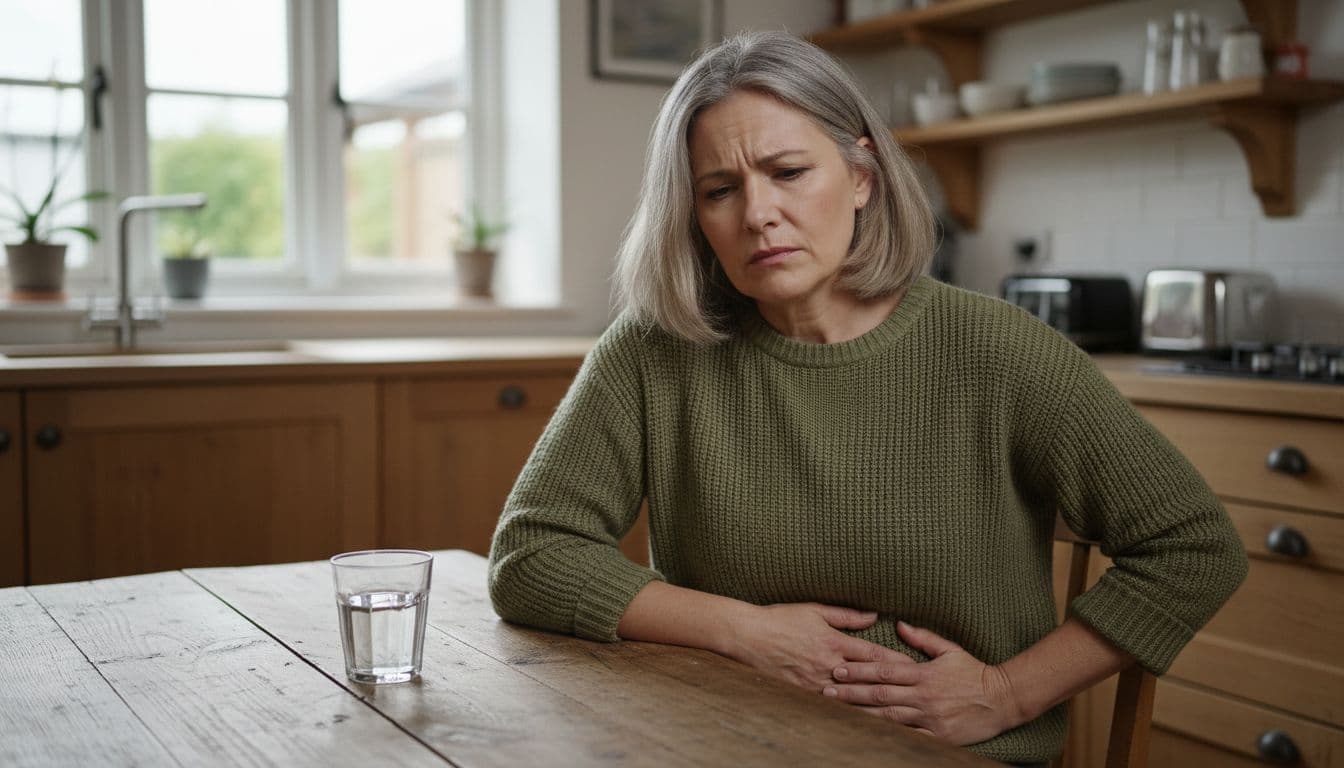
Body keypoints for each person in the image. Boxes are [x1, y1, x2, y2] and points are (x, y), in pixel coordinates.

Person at [487, 30, 1247, 766]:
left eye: (788, 172)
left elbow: (1194, 548)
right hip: (717, 741)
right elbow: (531, 554)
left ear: (861, 175)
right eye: (720, 189)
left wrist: (1007, 693)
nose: (757, 214)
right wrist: (743, 631)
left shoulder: (997, 352)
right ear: (693, 215)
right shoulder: (653, 351)